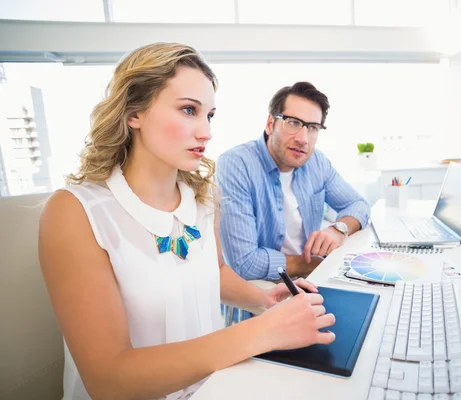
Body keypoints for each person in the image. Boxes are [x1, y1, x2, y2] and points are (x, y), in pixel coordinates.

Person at [38, 43, 335, 400]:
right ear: (134, 112)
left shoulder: (201, 198)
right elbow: (108, 380)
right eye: (189, 110)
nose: (205, 132)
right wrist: (264, 332)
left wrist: (264, 300)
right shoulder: (74, 212)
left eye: (209, 115)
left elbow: (214, 270)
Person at [216, 82, 370, 281]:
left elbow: (359, 204)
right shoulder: (236, 164)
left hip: (310, 280)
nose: (303, 138)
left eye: (313, 127)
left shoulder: (317, 162)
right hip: (260, 290)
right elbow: (245, 263)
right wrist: (311, 263)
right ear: (270, 124)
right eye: (294, 123)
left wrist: (338, 229)